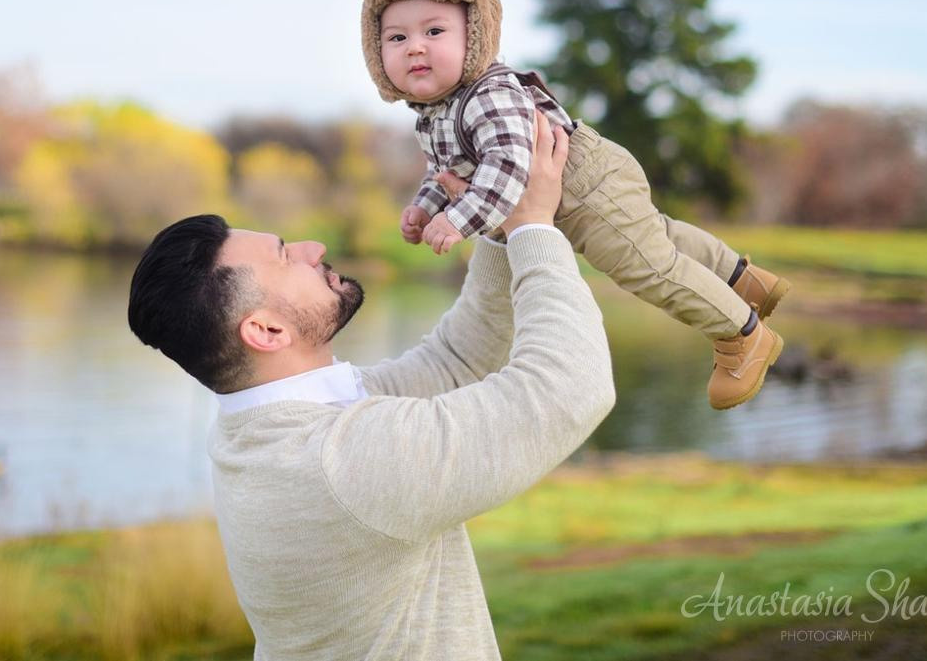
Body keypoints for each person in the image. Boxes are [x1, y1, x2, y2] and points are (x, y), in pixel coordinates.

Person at [128, 114, 613, 660]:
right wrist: (534, 229)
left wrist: (500, 221)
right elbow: (572, 388)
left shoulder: (273, 428)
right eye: (286, 257)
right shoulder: (340, 462)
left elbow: (457, 361)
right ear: (266, 331)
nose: (313, 248)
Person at [361, 0, 790, 410]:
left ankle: (742, 334)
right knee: (656, 237)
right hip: (591, 178)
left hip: (584, 191)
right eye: (396, 38)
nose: (415, 46)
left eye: (434, 31)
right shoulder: (435, 113)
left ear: (476, 35)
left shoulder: (487, 95)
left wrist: (456, 220)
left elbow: (507, 168)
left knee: (648, 268)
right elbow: (444, 171)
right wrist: (426, 207)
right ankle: (743, 280)